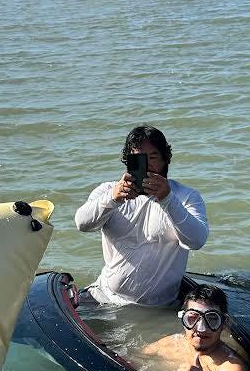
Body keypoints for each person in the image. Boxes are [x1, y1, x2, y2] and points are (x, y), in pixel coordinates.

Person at [74, 124, 208, 306]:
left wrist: (167, 199)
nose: (148, 166)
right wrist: (113, 198)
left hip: (158, 307)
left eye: (153, 157)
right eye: (139, 159)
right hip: (104, 296)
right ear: (128, 161)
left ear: (166, 158)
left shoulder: (185, 197)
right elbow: (82, 223)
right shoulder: (108, 191)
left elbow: (197, 240)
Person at [141, 284, 246, 371]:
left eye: (212, 319)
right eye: (192, 318)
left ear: (224, 323)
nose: (201, 329)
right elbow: (136, 358)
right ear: (183, 319)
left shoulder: (230, 367)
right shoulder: (170, 343)